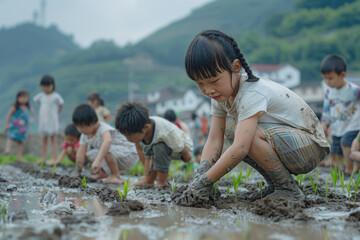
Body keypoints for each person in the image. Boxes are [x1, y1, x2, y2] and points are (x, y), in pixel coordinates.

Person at [173, 30, 329, 206]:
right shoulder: (220, 96)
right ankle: (276, 184)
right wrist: (200, 176)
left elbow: (240, 148)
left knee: (243, 134)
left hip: (310, 148)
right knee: (235, 130)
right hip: (290, 144)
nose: (208, 90)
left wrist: (204, 182)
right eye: (200, 83)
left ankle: (287, 189)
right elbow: (214, 140)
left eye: (214, 81)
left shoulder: (251, 92)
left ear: (236, 67)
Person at [115, 102, 193, 187]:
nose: (127, 139)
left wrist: (187, 157)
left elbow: (181, 147)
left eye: (129, 135)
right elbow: (143, 153)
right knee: (152, 150)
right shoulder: (139, 130)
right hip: (158, 147)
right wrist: (148, 176)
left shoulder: (164, 131)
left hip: (182, 147)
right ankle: (149, 180)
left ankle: (162, 182)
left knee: (159, 147)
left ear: (146, 128)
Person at [73, 104, 138, 184]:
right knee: (90, 154)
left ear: (93, 121)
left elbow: (107, 141)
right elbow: (81, 153)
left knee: (106, 148)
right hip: (114, 155)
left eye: (82, 126)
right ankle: (104, 173)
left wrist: (97, 161)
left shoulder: (103, 128)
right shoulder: (85, 135)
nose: (80, 129)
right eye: (78, 126)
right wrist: (78, 170)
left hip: (128, 153)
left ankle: (116, 176)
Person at [320, 54, 360, 175]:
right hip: (338, 127)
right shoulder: (329, 91)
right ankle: (343, 170)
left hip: (352, 126)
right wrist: (324, 124)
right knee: (336, 152)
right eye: (325, 78)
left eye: (330, 78)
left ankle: (350, 170)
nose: (327, 82)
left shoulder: (353, 90)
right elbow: (326, 110)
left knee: (346, 144)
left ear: (342, 75)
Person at [33, 74, 64, 164]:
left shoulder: (56, 96)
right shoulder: (41, 96)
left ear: (52, 85)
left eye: (48, 86)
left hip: (52, 121)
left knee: (53, 140)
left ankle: (54, 158)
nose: (46, 88)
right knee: (44, 140)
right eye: (44, 86)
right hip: (44, 121)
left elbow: (61, 104)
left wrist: (56, 113)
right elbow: (37, 102)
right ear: (41, 86)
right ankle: (43, 158)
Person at [3, 90, 33, 161]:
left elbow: (30, 115)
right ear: (17, 98)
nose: (23, 99)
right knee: (11, 137)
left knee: (20, 142)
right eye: (21, 97)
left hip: (22, 128)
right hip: (14, 126)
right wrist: (7, 124)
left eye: (25, 97)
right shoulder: (15, 107)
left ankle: (19, 157)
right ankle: (7, 149)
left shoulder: (28, 107)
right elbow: (9, 115)